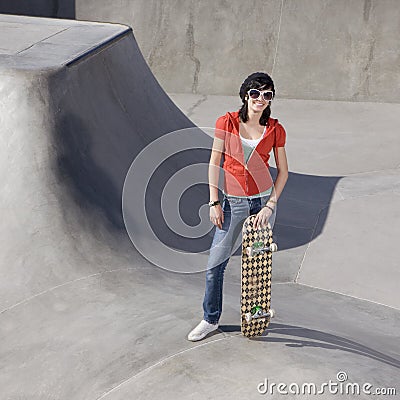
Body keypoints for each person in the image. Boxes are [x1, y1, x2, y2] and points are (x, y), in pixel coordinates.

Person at [187, 72, 289, 341]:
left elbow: (283, 173)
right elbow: (214, 162)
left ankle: (259, 309)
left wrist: (269, 206)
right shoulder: (227, 122)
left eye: (267, 95)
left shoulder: (276, 129)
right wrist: (214, 202)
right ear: (246, 94)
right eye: (255, 93)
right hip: (233, 202)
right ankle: (210, 319)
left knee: (257, 264)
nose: (261, 99)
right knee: (214, 265)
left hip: (263, 202)